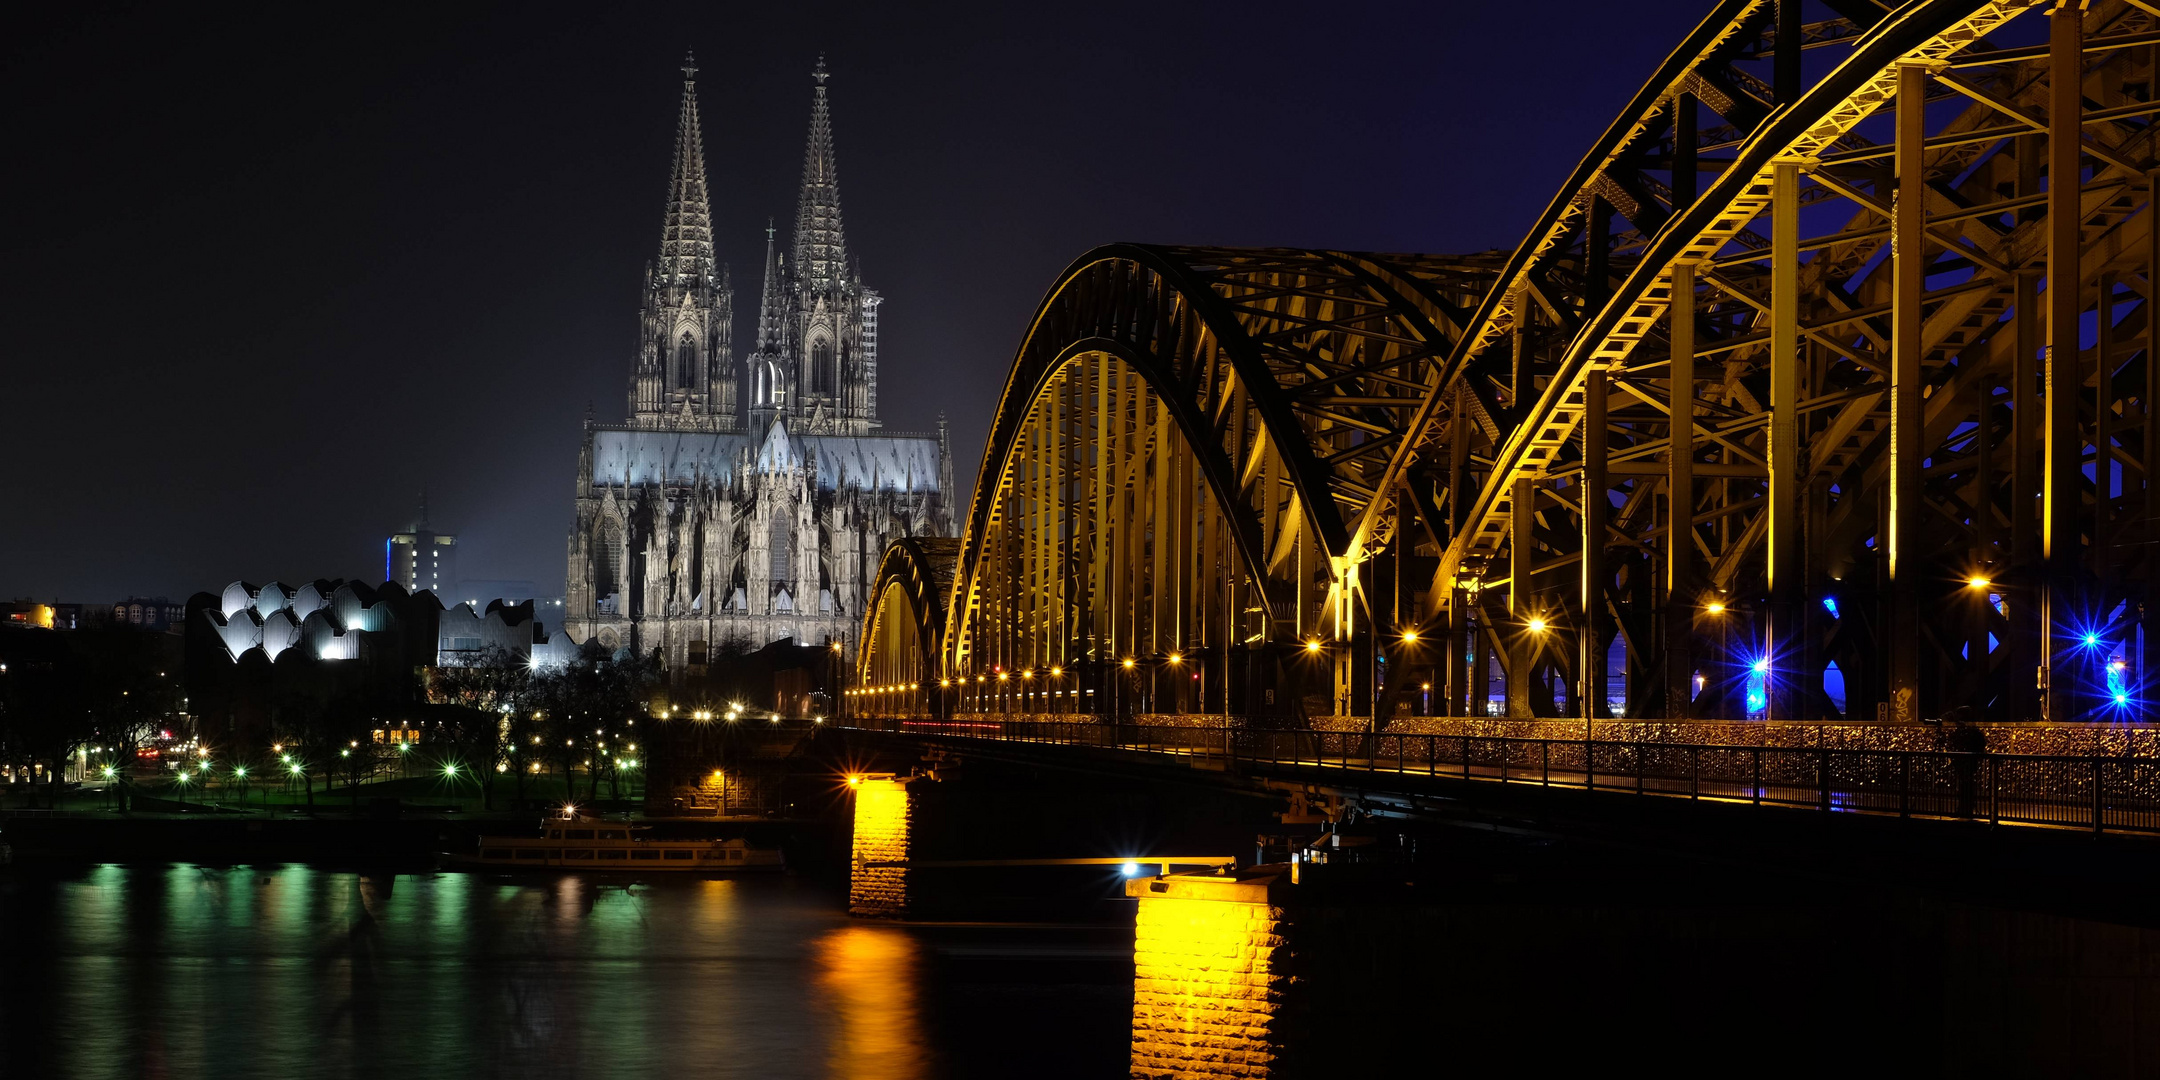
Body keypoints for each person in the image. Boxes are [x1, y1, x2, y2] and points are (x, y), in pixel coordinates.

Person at [1946, 718, 1987, 818]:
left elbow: (1952, 744)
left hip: (1965, 762)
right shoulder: (1974, 732)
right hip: (1970, 762)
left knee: (1964, 785)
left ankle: (1963, 808)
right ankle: (1967, 808)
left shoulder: (1964, 733)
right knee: (1966, 785)